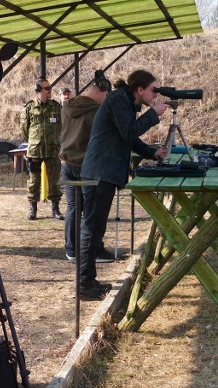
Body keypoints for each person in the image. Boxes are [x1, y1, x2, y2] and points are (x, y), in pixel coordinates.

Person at [78, 69, 168, 300]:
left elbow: (127, 137)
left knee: (95, 229)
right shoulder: (119, 99)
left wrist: (152, 152)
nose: (155, 95)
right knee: (91, 229)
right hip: (100, 172)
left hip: (103, 172)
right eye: (152, 90)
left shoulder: (124, 101)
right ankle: (84, 284)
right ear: (140, 89)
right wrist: (153, 114)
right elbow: (129, 131)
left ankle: (88, 281)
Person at [58, 71, 111, 263]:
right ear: (100, 91)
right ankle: (93, 250)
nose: (105, 100)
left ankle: (71, 249)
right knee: (91, 210)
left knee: (73, 208)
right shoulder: (97, 111)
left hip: (66, 164)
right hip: (86, 166)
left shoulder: (66, 106)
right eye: (105, 95)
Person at [20, 78, 63, 220]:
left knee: (55, 180)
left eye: (50, 87)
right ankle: (33, 209)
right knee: (33, 181)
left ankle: (55, 208)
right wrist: (33, 141)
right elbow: (24, 130)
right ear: (38, 90)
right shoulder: (29, 108)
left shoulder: (56, 107)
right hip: (35, 151)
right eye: (47, 88)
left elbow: (61, 126)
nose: (50, 90)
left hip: (52, 149)